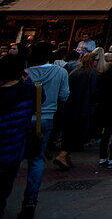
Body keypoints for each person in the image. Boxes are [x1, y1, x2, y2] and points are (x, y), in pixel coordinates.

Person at [24, 42, 68, 210]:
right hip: (47, 118)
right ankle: (30, 200)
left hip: (22, 119)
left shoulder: (25, 73)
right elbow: (64, 96)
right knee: (36, 159)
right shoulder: (60, 72)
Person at [0, 53, 37, 218]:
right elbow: (39, 98)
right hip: (12, 151)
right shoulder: (28, 91)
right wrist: (27, 80)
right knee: (3, 190)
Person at [57, 52, 98, 171]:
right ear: (91, 61)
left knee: (69, 130)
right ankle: (63, 155)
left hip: (70, 106)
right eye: (96, 60)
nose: (97, 62)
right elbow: (94, 91)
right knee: (77, 132)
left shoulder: (74, 72)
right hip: (84, 107)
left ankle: (66, 155)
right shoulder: (92, 73)